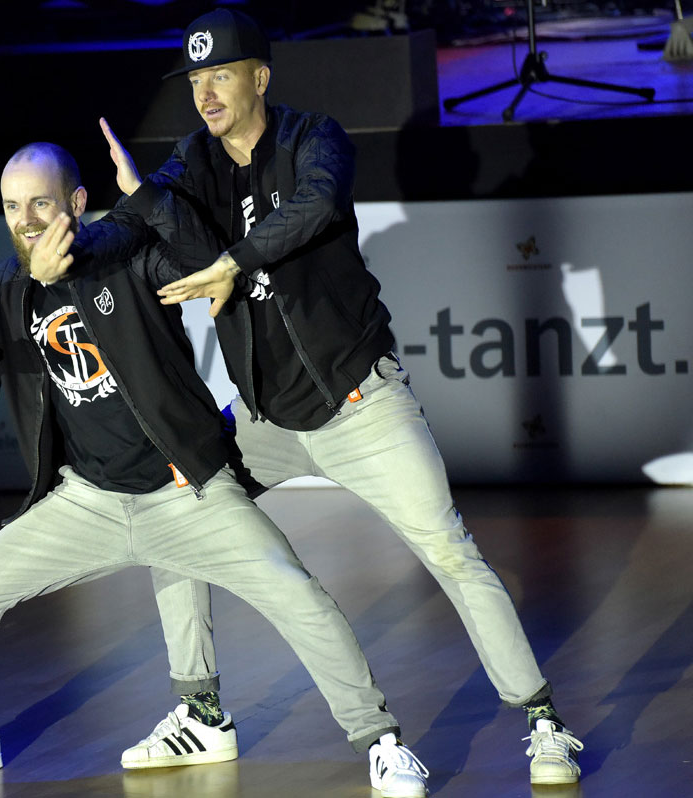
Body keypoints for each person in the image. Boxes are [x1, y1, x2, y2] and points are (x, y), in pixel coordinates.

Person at [46, 7, 584, 787]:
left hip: (361, 406)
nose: (205, 94)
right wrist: (73, 247)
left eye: (220, 75)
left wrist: (232, 262)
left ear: (260, 78)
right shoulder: (193, 162)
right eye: (195, 81)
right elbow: (138, 223)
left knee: (449, 551)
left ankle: (543, 722)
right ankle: (201, 712)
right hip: (265, 420)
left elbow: (319, 206)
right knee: (174, 509)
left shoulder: (312, 138)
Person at [0, 142, 430, 797]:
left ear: (77, 203)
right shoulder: (3, 289)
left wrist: (146, 201)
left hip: (184, 491)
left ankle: (380, 741)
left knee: (299, 596)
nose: (25, 220)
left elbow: (203, 263)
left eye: (41, 203)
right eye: (11, 206)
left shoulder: (127, 255)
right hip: (87, 501)